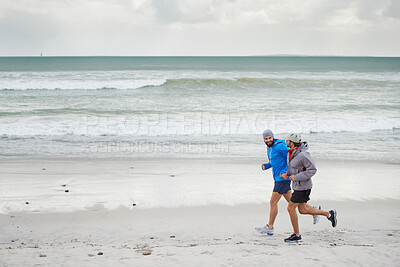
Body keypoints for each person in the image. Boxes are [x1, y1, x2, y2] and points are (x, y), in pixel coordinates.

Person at [280, 133, 337, 243]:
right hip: (297, 186)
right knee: (302, 210)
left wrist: (296, 177)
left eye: (287, 141)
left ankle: (297, 235)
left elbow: (312, 170)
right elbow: (295, 168)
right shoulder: (290, 153)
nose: (285, 142)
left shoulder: (304, 155)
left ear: (291, 142)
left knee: (290, 208)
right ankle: (329, 214)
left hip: (304, 187)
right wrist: (287, 174)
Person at [255, 129, 291, 236]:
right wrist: (267, 165)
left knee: (273, 202)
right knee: (293, 202)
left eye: (269, 138)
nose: (268, 140)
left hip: (282, 179)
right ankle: (317, 211)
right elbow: (274, 161)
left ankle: (270, 227)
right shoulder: (269, 148)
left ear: (273, 137)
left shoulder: (280, 146)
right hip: (277, 178)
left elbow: (290, 158)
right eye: (266, 139)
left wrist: (285, 172)